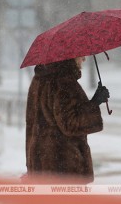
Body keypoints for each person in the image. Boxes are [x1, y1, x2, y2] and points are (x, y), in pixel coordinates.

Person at [25, 56, 109, 184]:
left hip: (41, 165)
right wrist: (95, 102)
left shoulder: (39, 80)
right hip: (63, 167)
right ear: (70, 58)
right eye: (81, 56)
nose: (84, 59)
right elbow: (70, 124)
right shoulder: (63, 82)